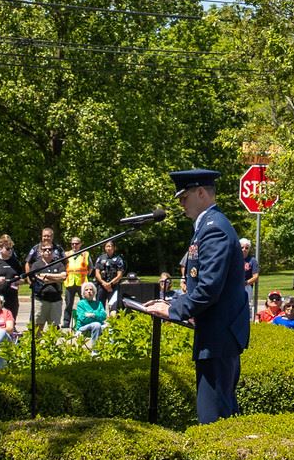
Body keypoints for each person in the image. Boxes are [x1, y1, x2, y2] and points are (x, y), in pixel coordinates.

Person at [144, 168, 251, 423]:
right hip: (214, 335)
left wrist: (172, 310)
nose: (181, 205)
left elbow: (208, 288)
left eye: (184, 198)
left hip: (218, 337)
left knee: (213, 417)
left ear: (201, 193)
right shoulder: (206, 226)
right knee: (216, 412)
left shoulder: (214, 229)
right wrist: (172, 302)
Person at [25, 228, 67, 330]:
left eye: (48, 236)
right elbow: (29, 265)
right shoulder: (36, 250)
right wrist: (30, 280)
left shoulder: (59, 250)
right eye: (44, 235)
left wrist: (48, 277)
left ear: (52, 237)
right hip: (40, 296)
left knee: (54, 327)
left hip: (56, 297)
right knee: (37, 326)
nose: (47, 251)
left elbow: (64, 275)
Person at [91, 239, 127, 309]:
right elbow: (97, 273)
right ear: (105, 248)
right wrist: (104, 283)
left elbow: (119, 275)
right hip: (101, 286)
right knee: (99, 307)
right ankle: (100, 320)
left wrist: (110, 284)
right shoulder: (100, 258)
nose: (108, 248)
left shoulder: (118, 259)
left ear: (114, 248)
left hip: (113, 286)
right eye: (107, 246)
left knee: (114, 307)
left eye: (110, 246)